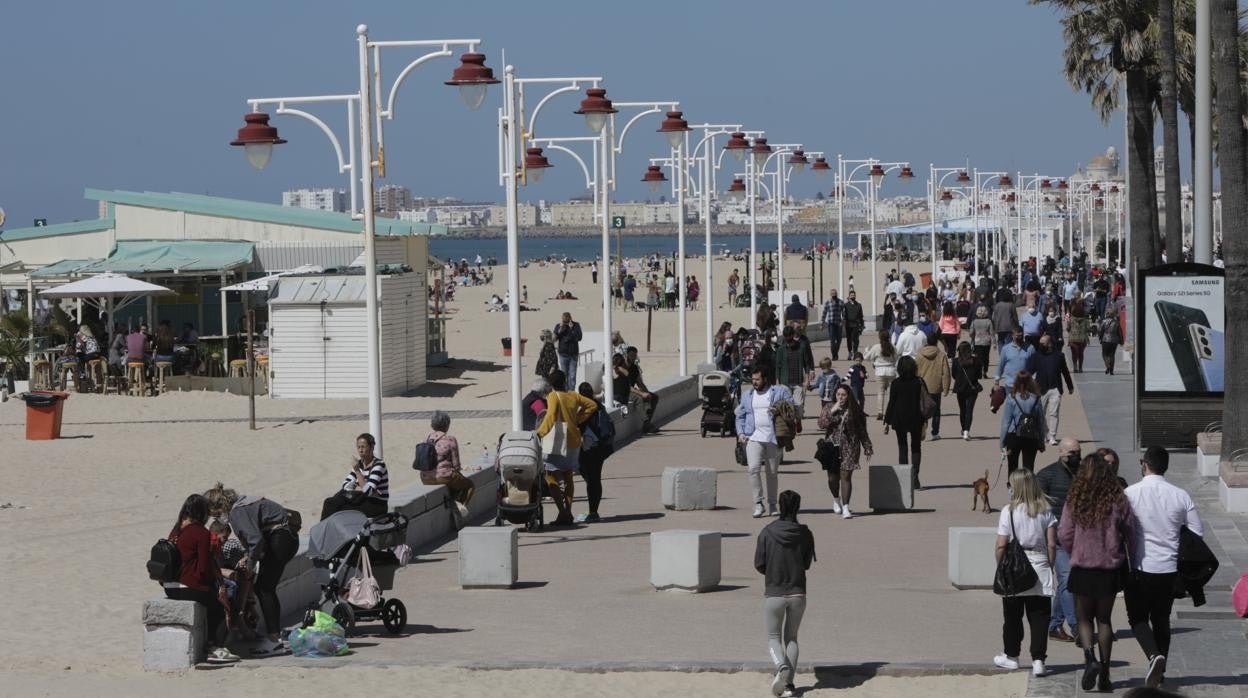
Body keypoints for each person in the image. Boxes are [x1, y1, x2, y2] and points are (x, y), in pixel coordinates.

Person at [1124, 446, 1205, 688]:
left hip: (1141, 566)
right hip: (1169, 569)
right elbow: (1197, 532)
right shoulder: (1180, 495)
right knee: (1161, 619)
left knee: (1137, 618)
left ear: (1144, 464)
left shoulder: (1130, 493)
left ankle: (1153, 656)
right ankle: (1161, 672)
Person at [1059, 454, 1137, 692]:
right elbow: (1131, 532)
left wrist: (1076, 550)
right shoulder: (1118, 499)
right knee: (1104, 619)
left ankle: (1089, 657)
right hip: (1109, 567)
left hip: (1083, 566)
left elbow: (1064, 533)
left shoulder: (1075, 499)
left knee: (1084, 618)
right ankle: (1105, 673)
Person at [205, 483, 297, 653]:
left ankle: (273, 639)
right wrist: (250, 556)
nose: (215, 518)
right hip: (287, 538)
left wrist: (250, 564)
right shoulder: (244, 503)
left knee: (264, 589)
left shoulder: (236, 512)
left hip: (280, 540)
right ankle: (274, 637)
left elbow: (255, 539)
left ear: (218, 508)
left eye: (213, 513)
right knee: (266, 587)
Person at [993, 469, 1057, 677]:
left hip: (1016, 567)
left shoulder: (1008, 511)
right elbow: (1051, 544)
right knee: (1039, 616)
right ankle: (1039, 659)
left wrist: (1001, 566)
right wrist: (1050, 565)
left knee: (1012, 616)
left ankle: (1012, 656)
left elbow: (1001, 545)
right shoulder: (1045, 510)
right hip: (1040, 563)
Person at [164, 494, 239, 664]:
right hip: (187, 586)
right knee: (219, 604)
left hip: (170, 586)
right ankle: (213, 647)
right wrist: (216, 588)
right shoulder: (201, 533)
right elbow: (204, 568)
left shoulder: (176, 530)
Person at [754, 490, 815, 698]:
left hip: (774, 592)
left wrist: (772, 572)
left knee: (773, 637)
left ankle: (781, 667)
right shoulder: (805, 533)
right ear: (798, 507)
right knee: (792, 638)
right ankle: (789, 685)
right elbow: (806, 564)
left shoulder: (767, 532)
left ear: (779, 506)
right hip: (798, 592)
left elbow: (759, 564)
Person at [535, 370, 597, 526]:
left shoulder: (553, 396)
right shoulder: (573, 395)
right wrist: (577, 418)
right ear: (564, 382)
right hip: (574, 439)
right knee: (568, 477)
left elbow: (550, 417)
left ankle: (562, 512)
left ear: (550, 384)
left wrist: (539, 433)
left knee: (550, 476)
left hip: (558, 439)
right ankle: (568, 512)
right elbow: (592, 405)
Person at [735, 364, 798, 518]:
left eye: (757, 379)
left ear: (765, 379)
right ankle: (758, 503)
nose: (754, 382)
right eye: (753, 379)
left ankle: (772, 504)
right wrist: (741, 432)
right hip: (753, 437)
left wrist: (779, 410)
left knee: (771, 473)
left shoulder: (779, 391)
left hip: (773, 437)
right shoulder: (747, 395)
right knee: (753, 469)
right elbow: (740, 415)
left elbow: (793, 409)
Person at [1036, 437, 1082, 645]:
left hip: (1080, 538)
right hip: (1057, 538)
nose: (1076, 456)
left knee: (1069, 582)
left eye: (1078, 452)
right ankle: (1076, 626)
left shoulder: (1083, 474)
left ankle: (1054, 625)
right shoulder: (1046, 475)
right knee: (1067, 579)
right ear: (1061, 452)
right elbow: (1037, 508)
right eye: (1071, 453)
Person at [818, 385, 873, 519]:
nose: (840, 397)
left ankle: (846, 507)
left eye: (843, 395)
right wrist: (833, 411)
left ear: (848, 395)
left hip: (850, 446)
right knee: (832, 478)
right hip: (831, 446)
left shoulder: (854, 409)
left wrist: (867, 446)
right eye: (838, 394)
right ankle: (836, 499)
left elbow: (861, 429)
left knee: (846, 476)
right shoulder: (829, 407)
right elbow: (821, 424)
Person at [320, 433, 390, 520]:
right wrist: (360, 487)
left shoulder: (379, 465)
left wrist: (357, 471)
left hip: (377, 504)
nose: (360, 450)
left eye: (363, 447)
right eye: (358, 447)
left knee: (341, 509)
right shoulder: (359, 464)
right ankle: (324, 531)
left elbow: (368, 491)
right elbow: (345, 485)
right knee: (329, 502)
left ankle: (326, 532)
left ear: (372, 447)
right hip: (363, 499)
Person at [419, 412, 474, 518]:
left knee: (453, 485)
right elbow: (456, 466)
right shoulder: (450, 439)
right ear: (447, 425)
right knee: (470, 485)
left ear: (432, 425)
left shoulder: (426, 439)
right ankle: (459, 511)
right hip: (444, 477)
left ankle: (453, 504)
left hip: (425, 478)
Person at [884, 356, 926, 491]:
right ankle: (915, 479)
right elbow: (924, 401)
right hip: (916, 418)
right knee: (916, 447)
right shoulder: (919, 381)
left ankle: (904, 479)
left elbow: (892, 402)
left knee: (902, 448)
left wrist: (887, 420)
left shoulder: (896, 383)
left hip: (899, 418)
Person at [576, 382, 614, 523]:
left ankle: (593, 512)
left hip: (590, 449)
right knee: (595, 479)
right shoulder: (599, 406)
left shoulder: (588, 408)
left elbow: (579, 425)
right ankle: (594, 511)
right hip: (601, 448)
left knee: (591, 480)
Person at [999, 371, 1046, 474]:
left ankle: (1012, 489)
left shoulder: (1012, 398)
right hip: (1031, 435)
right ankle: (1027, 489)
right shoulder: (1036, 398)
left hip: (1014, 434)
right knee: (1028, 468)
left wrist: (1002, 442)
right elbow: (1041, 421)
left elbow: (1006, 422)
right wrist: (1041, 440)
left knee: (1012, 467)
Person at [1032, 335, 1075, 446]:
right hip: (1041, 389)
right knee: (1040, 414)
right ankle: (1044, 433)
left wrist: (1070, 386)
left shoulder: (1059, 356)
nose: (1040, 345)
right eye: (1040, 343)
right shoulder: (1036, 356)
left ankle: (1052, 436)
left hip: (1055, 388)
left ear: (1050, 344)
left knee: (1054, 413)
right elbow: (1029, 371)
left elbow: (1065, 372)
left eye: (1043, 343)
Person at [915, 332, 951, 440]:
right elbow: (946, 373)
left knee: (922, 408)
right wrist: (946, 388)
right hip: (936, 386)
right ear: (936, 342)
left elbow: (915, 370)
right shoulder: (941, 355)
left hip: (922, 386)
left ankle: (923, 423)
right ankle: (935, 432)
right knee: (936, 410)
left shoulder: (919, 354)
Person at [775, 326, 812, 419]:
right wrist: (777, 382)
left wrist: (807, 379)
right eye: (785, 336)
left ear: (793, 335)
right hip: (785, 382)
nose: (787, 338)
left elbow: (806, 364)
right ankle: (791, 425)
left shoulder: (801, 347)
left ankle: (798, 419)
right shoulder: (781, 350)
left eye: (789, 336)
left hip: (798, 382)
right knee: (787, 406)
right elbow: (778, 366)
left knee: (799, 405)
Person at [624, 346, 660, 432]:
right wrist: (641, 394)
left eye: (635, 355)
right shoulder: (622, 367)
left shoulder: (634, 368)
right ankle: (647, 423)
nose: (633, 357)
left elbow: (639, 383)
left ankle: (646, 423)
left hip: (632, 390)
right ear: (626, 355)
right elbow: (627, 386)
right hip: (624, 391)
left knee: (654, 397)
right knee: (639, 398)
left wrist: (646, 392)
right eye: (631, 355)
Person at [951, 341, 982, 440]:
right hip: (972, 387)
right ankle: (966, 431)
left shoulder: (956, 361)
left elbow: (954, 375)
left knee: (962, 410)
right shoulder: (976, 360)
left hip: (960, 388)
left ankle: (963, 428)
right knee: (969, 410)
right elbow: (979, 375)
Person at [864, 330, 898, 420]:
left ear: (879, 337)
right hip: (891, 371)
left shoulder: (876, 347)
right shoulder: (893, 347)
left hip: (880, 371)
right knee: (892, 393)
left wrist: (867, 350)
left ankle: (880, 412)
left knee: (880, 392)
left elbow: (866, 357)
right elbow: (896, 359)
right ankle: (892, 411)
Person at [554, 312, 582, 386]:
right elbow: (555, 338)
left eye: (567, 320)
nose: (565, 322)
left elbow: (579, 338)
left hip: (573, 354)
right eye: (564, 320)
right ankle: (565, 392)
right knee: (564, 375)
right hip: (563, 354)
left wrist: (572, 328)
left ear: (570, 319)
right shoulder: (558, 326)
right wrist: (560, 328)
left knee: (572, 375)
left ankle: (571, 392)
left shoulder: (576, 325)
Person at [1066, 301, 1092, 373]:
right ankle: (1080, 367)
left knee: (1074, 354)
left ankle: (1075, 366)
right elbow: (1088, 329)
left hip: (1073, 339)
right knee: (1081, 353)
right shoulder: (1086, 320)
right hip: (1082, 339)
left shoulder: (1071, 319)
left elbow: (1068, 328)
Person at [1098, 306, 1122, 375]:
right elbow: (1119, 332)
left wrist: (1100, 338)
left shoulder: (1104, 321)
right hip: (1114, 340)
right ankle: (1111, 370)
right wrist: (1121, 340)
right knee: (1112, 355)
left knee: (1104, 354)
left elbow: (1100, 331)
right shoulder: (1116, 322)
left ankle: (1108, 366)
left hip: (1105, 339)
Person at [820, 290, 844, 359]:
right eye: (832, 294)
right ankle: (834, 355)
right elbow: (824, 313)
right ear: (830, 294)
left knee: (839, 340)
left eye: (835, 293)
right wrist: (822, 323)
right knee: (832, 341)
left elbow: (844, 313)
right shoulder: (828, 302)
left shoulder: (841, 302)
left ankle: (836, 352)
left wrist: (843, 321)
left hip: (838, 323)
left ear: (837, 294)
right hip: (831, 323)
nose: (834, 295)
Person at [842, 289, 865, 357]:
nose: (853, 296)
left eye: (854, 295)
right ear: (849, 296)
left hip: (856, 325)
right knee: (849, 339)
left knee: (855, 339)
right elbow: (844, 315)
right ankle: (850, 352)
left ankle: (855, 352)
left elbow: (861, 316)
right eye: (851, 295)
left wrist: (862, 325)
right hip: (848, 325)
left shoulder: (858, 305)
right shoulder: (846, 305)